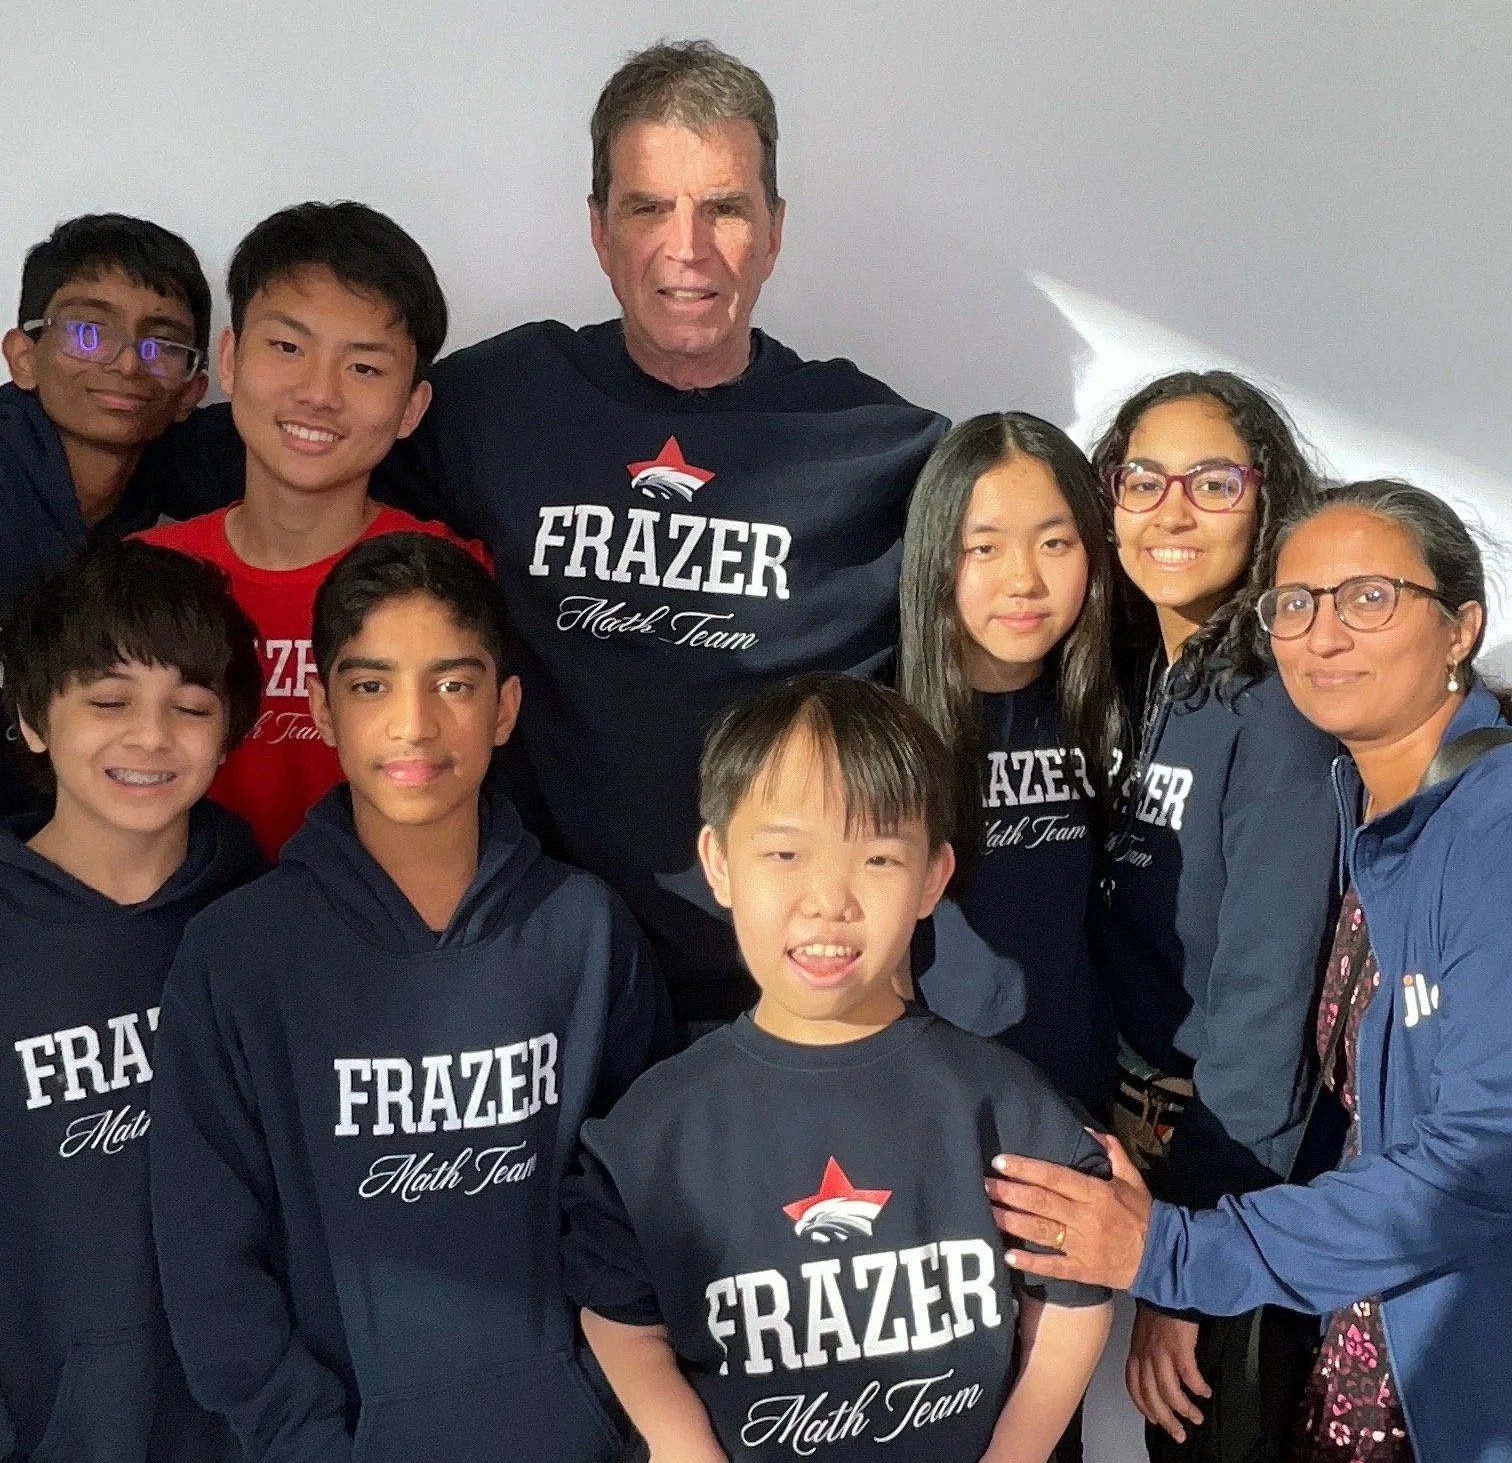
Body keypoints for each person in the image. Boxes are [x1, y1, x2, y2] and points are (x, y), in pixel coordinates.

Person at [167, 38, 947, 1025]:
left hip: (783, 997)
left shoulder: (876, 447)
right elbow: (280, 434)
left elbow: (1039, 544)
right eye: (648, 207)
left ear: (777, 228)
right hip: (534, 985)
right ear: (598, 230)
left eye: (726, 208)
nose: (687, 247)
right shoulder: (503, 401)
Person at [984, 479, 1512, 1463]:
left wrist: (1180, 1255)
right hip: (1349, 1326)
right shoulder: (1358, 804)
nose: (1323, 634)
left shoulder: (1493, 835)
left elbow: (1483, 1165)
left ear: (1460, 628)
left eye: (1368, 597)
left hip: (1456, 1372)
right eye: (1297, 604)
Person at [149, 533, 671, 1463]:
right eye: (371, 685)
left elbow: (642, 1209)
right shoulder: (236, 955)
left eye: (454, 684)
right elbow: (209, 1261)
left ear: (505, 707)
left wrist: (615, 1413)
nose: (414, 726)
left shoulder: (586, 932)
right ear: (320, 707)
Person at [562, 673, 1113, 1463]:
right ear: (718, 862)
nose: (829, 899)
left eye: (879, 858)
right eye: (784, 852)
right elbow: (620, 1315)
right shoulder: (654, 1130)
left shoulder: (1004, 1103)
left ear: (932, 876)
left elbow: (1073, 1298)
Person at [1087, 372, 1339, 1457]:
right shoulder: (1139, 675)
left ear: (1267, 496)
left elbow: (1265, 1003)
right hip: (1155, 1157)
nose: (1171, 509)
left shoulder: (1280, 704)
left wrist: (1185, 1264)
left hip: (1242, 1186)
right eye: (1141, 478)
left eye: (1213, 481)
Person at [0, 539, 263, 1462]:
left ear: (229, 731)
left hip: (248, 1428)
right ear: (32, 717)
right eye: (107, 701)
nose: (150, 737)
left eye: (190, 707)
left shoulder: (265, 920)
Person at [139, 201, 487, 857]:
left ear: (412, 406)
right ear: (231, 359)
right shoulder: (141, 580)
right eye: (288, 347)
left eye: (364, 367)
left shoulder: (449, 582)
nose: (318, 392)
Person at [899, 411, 1122, 1111]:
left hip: (1081, 1109)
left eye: (1055, 542)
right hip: (929, 1112)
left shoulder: (1117, 709)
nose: (1023, 579)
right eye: (984, 548)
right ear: (937, 556)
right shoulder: (885, 727)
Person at [0, 213, 234, 816]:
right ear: (22, 355)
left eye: (161, 346)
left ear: (191, 389)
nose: (128, 364)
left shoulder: (176, 466)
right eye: (87, 333)